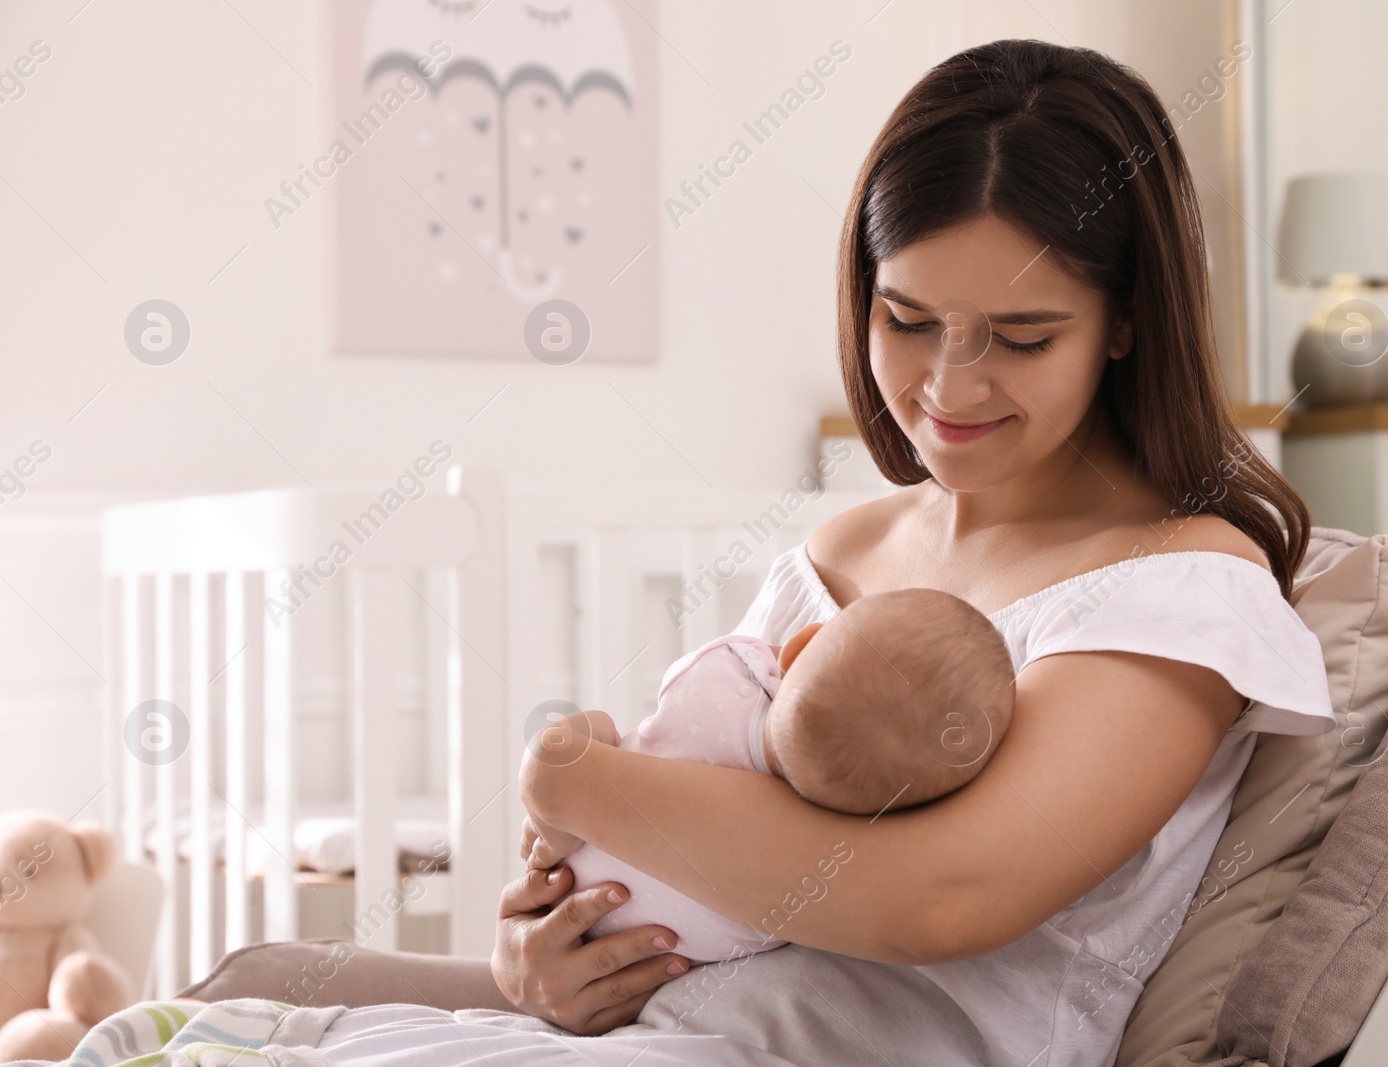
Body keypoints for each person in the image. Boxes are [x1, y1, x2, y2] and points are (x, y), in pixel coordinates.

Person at [315, 37, 1335, 1066]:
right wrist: (547, 953)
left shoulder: (1181, 585)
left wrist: (572, 780)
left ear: (1124, 322)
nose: (950, 384)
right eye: (907, 317)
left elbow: (941, 898)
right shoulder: (838, 550)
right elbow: (701, 821)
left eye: (1022, 336)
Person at [557, 588, 1017, 964]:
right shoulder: (815, 864)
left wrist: (550, 785)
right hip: (641, 963)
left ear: (798, 647)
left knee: (594, 727)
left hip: (563, 883)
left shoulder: (723, 678)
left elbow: (578, 758)